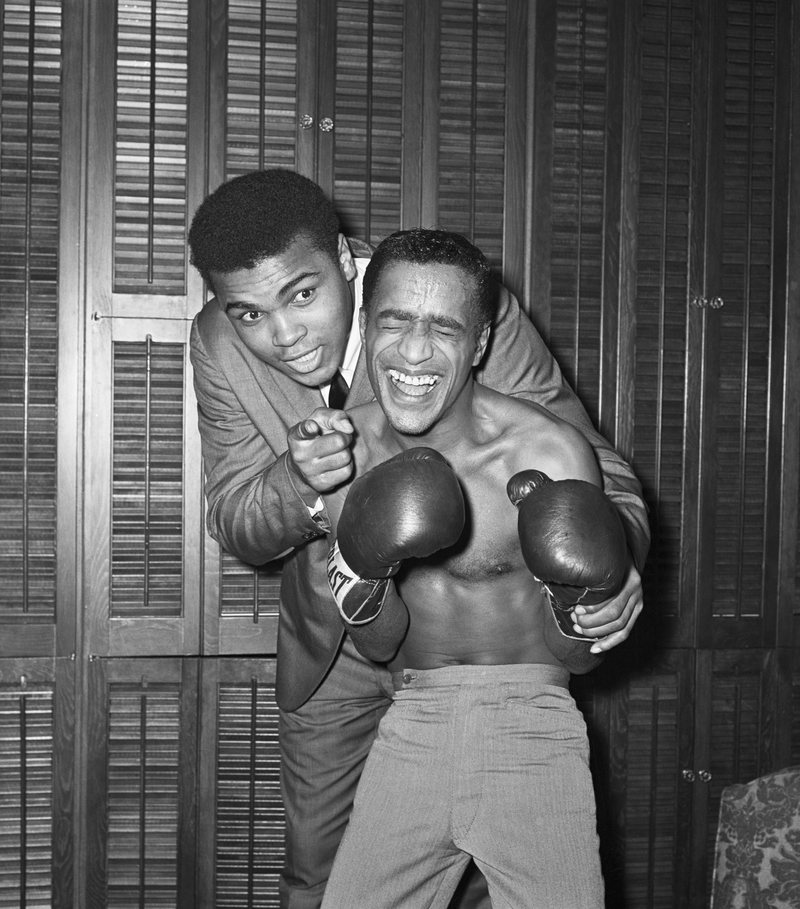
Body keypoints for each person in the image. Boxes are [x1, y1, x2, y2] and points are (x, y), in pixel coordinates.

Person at [187, 169, 649, 909]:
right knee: (320, 876)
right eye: (248, 312)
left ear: (343, 260)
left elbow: (592, 463)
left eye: (302, 295)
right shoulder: (216, 344)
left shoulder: (456, 304)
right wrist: (303, 481)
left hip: (482, 649)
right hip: (337, 643)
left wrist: (611, 563)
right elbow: (237, 516)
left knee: (472, 880)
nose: (282, 334)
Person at [320, 228, 628, 908]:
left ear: (481, 343)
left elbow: (580, 661)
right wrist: (364, 584)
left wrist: (587, 598)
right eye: (395, 322)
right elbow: (380, 645)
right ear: (365, 326)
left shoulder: (547, 448)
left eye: (445, 328)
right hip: (413, 719)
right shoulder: (348, 458)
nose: (415, 351)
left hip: (534, 724)